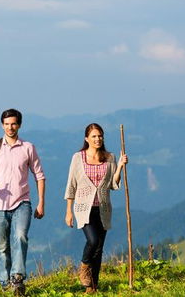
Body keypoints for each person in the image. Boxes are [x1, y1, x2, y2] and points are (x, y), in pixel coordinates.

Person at [0, 108, 46, 295]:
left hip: (22, 202)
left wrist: (41, 203)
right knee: (2, 246)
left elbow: (39, 176)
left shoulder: (28, 148)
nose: (10, 127)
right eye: (7, 124)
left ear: (19, 125)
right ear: (2, 125)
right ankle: (4, 281)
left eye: (13, 124)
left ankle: (17, 278)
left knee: (20, 236)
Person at [64, 123, 128, 293]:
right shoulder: (78, 158)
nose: (97, 139)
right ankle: (84, 266)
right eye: (93, 136)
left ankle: (92, 286)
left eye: (100, 136)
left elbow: (113, 184)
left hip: (103, 208)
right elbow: (71, 184)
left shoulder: (110, 157)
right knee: (92, 241)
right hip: (84, 208)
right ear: (87, 139)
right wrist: (68, 211)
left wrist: (120, 165)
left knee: (99, 248)